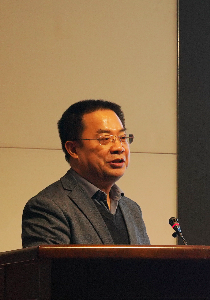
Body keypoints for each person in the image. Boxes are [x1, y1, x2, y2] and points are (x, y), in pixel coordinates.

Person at [21, 99, 151, 247]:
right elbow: (50, 263)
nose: (119, 147)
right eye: (105, 139)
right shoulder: (49, 207)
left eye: (122, 138)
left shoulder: (132, 209)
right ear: (73, 149)